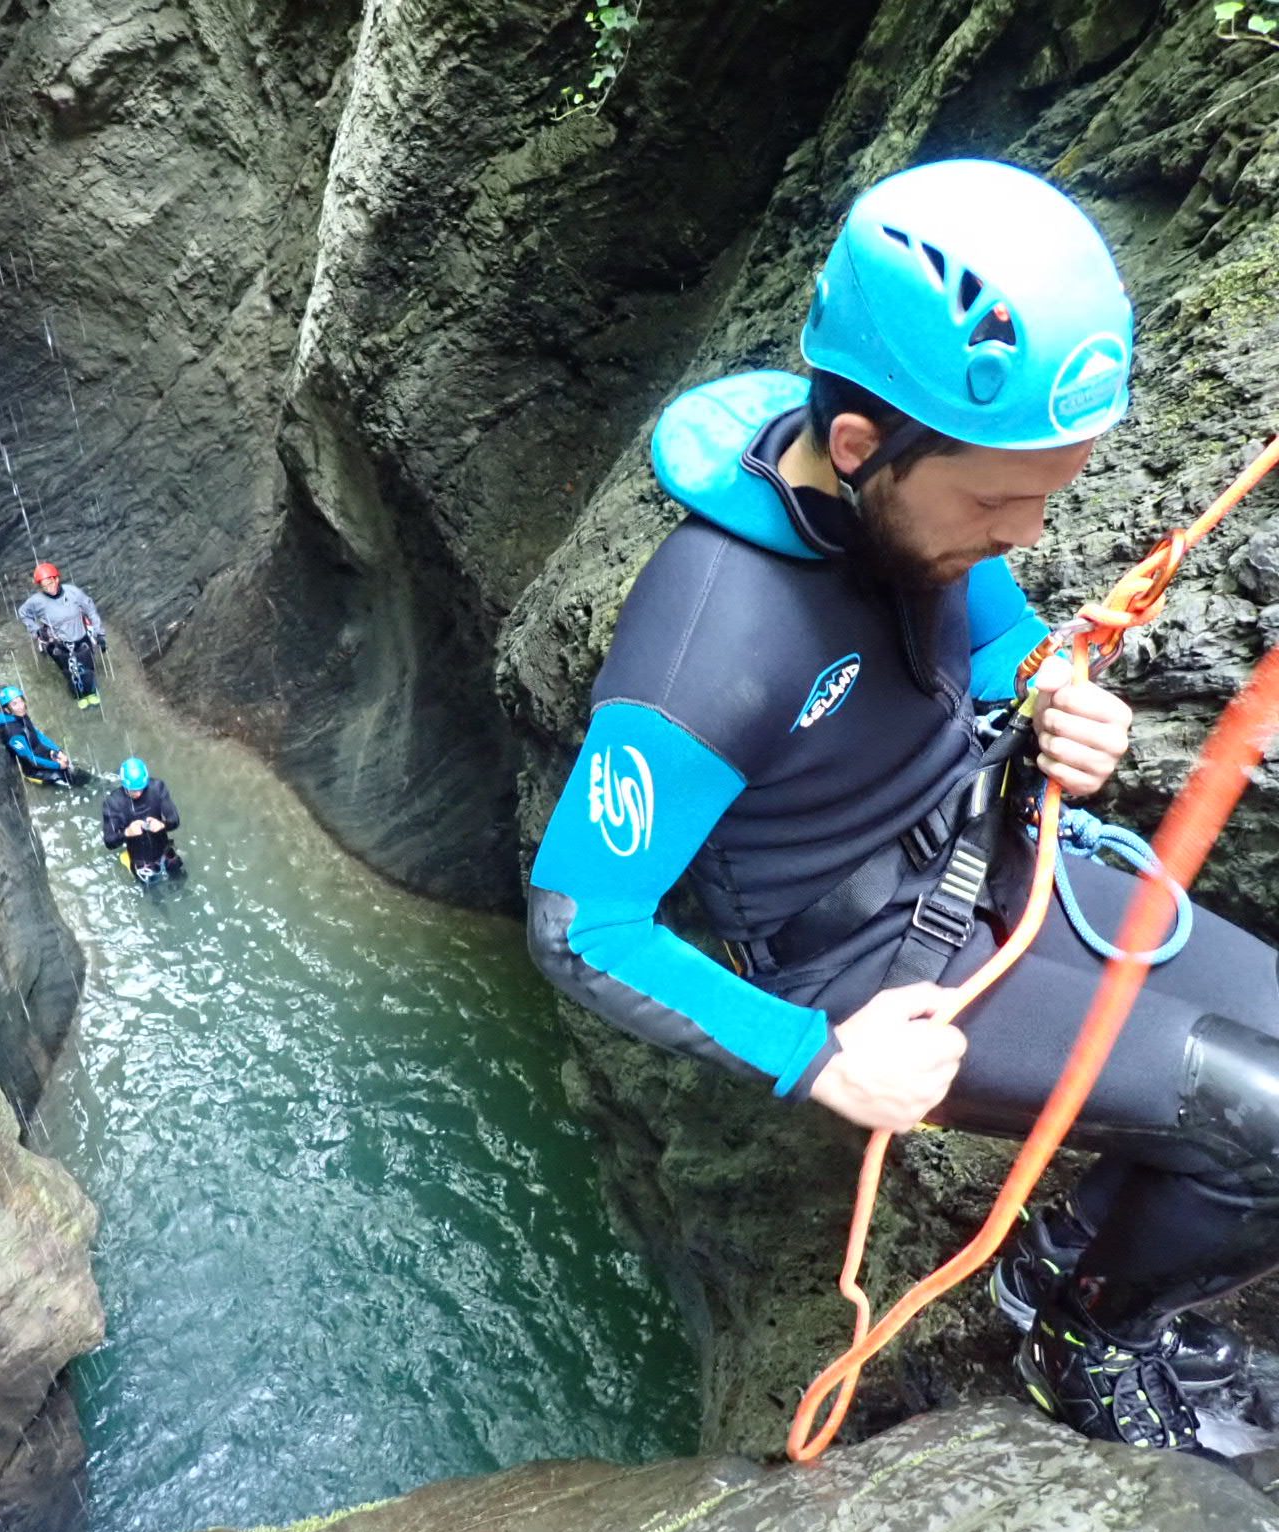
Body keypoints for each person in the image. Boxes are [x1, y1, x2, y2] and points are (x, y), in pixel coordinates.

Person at [526, 158, 1278, 1457]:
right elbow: (580, 919)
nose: (1029, 531)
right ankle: (1088, 1328)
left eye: (1046, 493)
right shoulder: (712, 643)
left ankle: (1067, 1248)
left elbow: (998, 636)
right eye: (1000, 501)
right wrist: (821, 1057)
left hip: (1004, 852)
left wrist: (1057, 695)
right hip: (878, 965)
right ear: (866, 448)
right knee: (1267, 1126)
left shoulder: (912, 514)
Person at [18, 562, 107, 708]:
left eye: (50, 583)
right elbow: (23, 613)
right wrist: (35, 630)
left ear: (57, 579)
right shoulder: (36, 601)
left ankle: (90, 692)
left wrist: (100, 634)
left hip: (80, 638)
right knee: (69, 673)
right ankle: (79, 695)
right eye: (44, 586)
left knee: (87, 670)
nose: (48, 588)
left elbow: (90, 610)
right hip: (58, 644)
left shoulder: (73, 593)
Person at [102, 757, 184, 882]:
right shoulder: (113, 803)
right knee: (155, 897)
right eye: (134, 790)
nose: (139, 793)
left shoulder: (157, 788)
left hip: (164, 850)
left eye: (141, 788)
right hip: (140, 860)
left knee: (181, 880)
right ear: (124, 784)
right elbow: (109, 842)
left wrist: (162, 825)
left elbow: (175, 820)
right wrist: (127, 832)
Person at [0, 685, 90, 786]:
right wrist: (57, 766)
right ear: (7, 710)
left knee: (72, 767)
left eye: (21, 701)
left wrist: (56, 751)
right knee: (64, 778)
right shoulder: (13, 733)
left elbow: (38, 735)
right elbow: (31, 760)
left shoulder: (19, 715)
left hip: (39, 752)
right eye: (14, 704)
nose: (21, 706)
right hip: (33, 770)